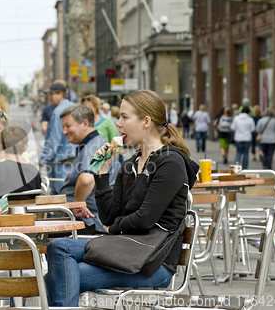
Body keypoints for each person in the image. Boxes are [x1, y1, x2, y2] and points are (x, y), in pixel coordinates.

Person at [45, 90, 199, 306]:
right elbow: (108, 216)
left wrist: (113, 229)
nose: (118, 124)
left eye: (125, 117)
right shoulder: (130, 164)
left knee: (58, 277)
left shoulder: (170, 162)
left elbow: (145, 219)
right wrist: (102, 173)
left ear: (146, 121)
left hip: (153, 261)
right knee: (57, 247)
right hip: (126, 248)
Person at [59, 104, 120, 234]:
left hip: (89, 222)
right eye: (63, 127)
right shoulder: (94, 143)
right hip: (85, 219)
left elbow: (87, 180)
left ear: (85, 124)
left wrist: (77, 205)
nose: (64, 131)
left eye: (68, 126)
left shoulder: (92, 146)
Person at [39, 83, 76, 195]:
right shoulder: (75, 107)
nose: (49, 97)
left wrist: (43, 158)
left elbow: (53, 140)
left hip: (60, 161)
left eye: (51, 94)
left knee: (60, 194)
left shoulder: (57, 112)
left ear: (60, 94)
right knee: (71, 193)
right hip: (74, 158)